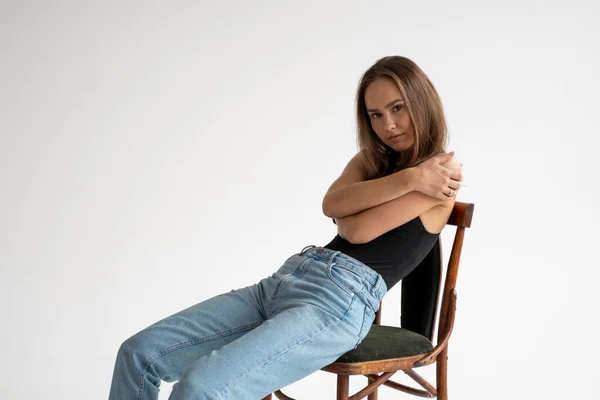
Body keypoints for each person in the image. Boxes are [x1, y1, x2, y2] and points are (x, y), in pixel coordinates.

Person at [108, 55, 463, 400]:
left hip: (336, 304)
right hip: (289, 278)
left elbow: (355, 231)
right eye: (376, 115)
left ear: (420, 101)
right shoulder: (374, 160)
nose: (388, 125)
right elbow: (332, 205)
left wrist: (378, 194)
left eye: (397, 108)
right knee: (139, 354)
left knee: (202, 388)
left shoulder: (443, 174)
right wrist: (409, 179)